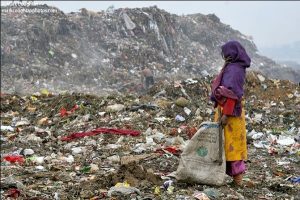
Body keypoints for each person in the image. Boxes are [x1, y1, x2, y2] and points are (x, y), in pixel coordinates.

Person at [210, 41, 251, 186]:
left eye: (226, 53)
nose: (224, 56)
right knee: (225, 143)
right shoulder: (232, 67)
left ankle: (238, 178)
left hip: (231, 113)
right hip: (227, 110)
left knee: (232, 145)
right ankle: (232, 177)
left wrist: (226, 115)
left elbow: (232, 93)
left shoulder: (234, 70)